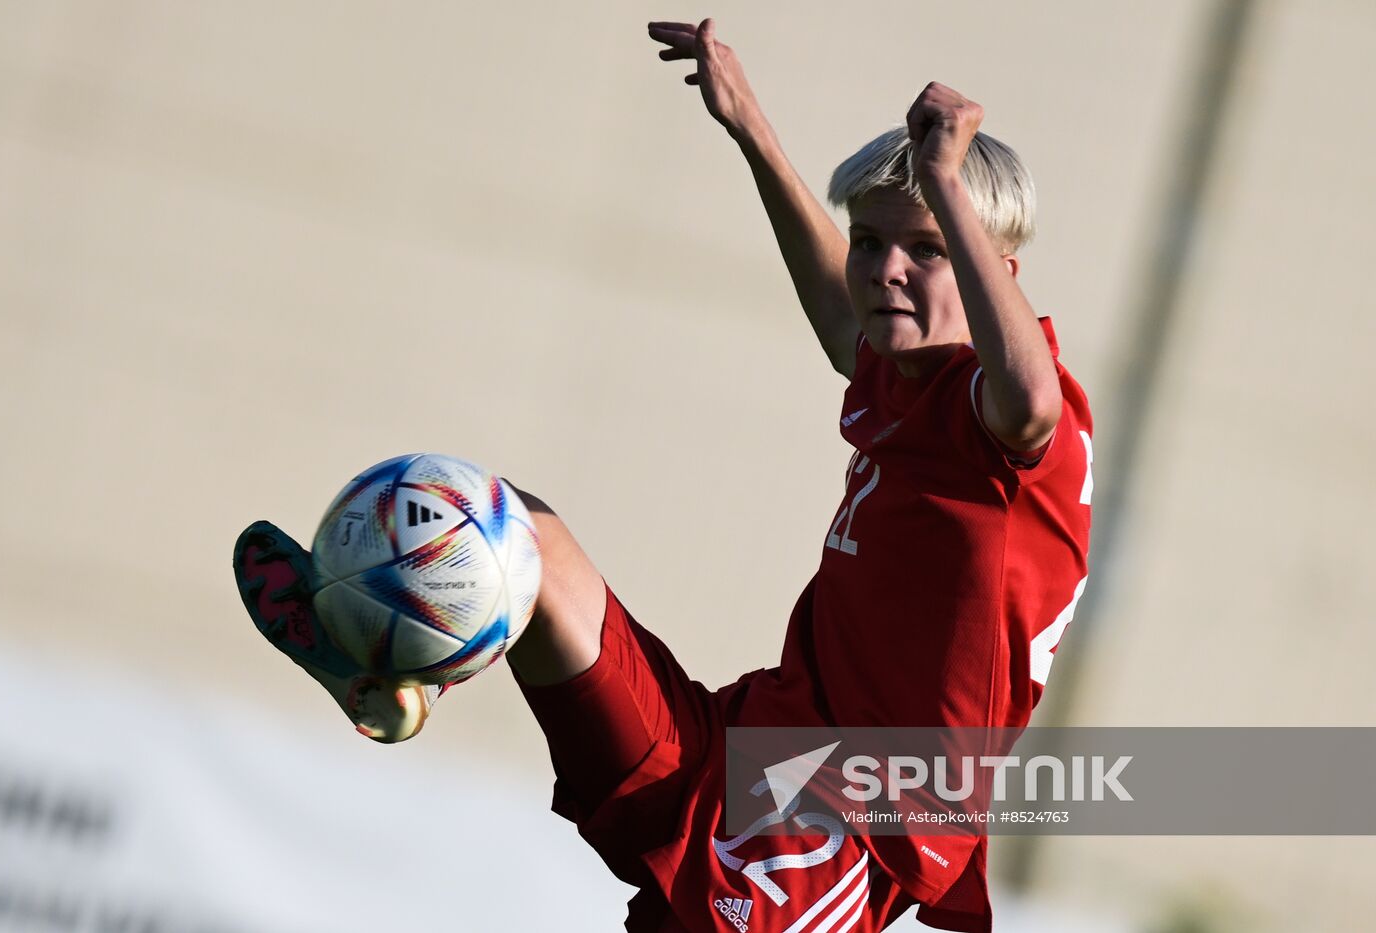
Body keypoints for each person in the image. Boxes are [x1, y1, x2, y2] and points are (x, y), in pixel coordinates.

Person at [232, 18, 1092, 932]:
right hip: (744, 746)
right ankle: (389, 664)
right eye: (870, 242)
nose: (885, 270)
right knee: (516, 529)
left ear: (992, 267)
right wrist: (752, 129)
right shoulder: (910, 376)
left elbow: (1029, 402)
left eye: (923, 249)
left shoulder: (1014, 430)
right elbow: (840, 315)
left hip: (849, 837)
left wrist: (948, 180)